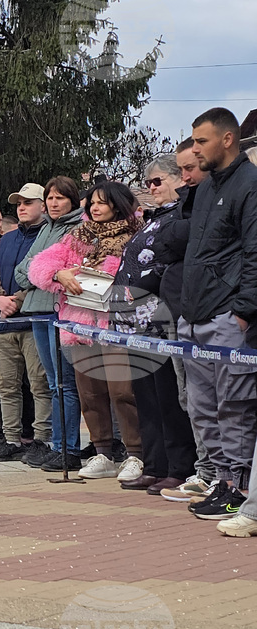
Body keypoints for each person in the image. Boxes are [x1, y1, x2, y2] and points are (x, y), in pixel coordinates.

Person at [28, 181, 143, 476]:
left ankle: (135, 453)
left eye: (102, 202)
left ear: (118, 204)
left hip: (118, 325)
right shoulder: (78, 236)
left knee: (123, 392)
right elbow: (38, 267)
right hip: (79, 327)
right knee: (90, 395)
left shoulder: (137, 234)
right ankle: (102, 453)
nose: (95, 207)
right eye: (92, 202)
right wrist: (59, 274)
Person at [176, 108, 257, 522]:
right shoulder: (206, 188)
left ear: (227, 140)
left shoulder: (250, 184)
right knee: (202, 407)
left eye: (201, 141)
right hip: (194, 315)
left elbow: (255, 253)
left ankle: (240, 489)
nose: (195, 149)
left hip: (228, 317)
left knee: (235, 407)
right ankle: (221, 482)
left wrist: (243, 311)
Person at [105, 155, 196, 492]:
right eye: (147, 183)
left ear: (179, 178)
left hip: (160, 318)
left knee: (169, 398)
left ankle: (179, 466)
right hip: (135, 324)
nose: (151, 188)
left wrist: (140, 289)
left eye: (157, 181)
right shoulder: (152, 219)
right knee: (147, 398)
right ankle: (155, 464)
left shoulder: (183, 214)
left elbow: (169, 264)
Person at [154, 139, 217, 501]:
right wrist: (176, 233)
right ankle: (205, 471)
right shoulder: (185, 202)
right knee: (189, 398)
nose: (184, 178)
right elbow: (165, 241)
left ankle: (222, 476)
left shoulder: (219, 198)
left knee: (218, 401)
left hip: (212, 313)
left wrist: (178, 233)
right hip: (179, 312)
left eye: (189, 169)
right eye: (179, 171)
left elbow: (193, 238)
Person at [14, 177, 85, 467]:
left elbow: (70, 273)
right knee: (54, 383)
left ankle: (69, 448)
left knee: (65, 383)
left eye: (60, 198)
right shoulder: (46, 228)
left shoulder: (78, 229)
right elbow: (21, 272)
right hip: (38, 310)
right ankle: (58, 445)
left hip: (61, 312)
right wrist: (46, 273)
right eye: (50, 198)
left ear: (72, 200)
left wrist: (45, 273)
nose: (54, 203)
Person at [0, 186, 53, 462]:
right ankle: (12, 439)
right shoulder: (6, 240)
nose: (21, 207)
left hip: (33, 322)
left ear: (42, 205)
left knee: (40, 385)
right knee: (7, 387)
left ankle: (42, 439)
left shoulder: (49, 236)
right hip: (3, 325)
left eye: (28, 202)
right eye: (18, 203)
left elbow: (44, 276)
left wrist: (18, 301)